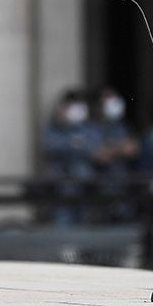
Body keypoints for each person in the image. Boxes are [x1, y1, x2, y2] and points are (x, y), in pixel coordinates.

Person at [43, 90, 101, 226]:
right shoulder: (53, 128)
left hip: (85, 185)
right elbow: (50, 147)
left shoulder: (89, 128)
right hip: (61, 187)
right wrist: (74, 143)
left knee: (86, 224)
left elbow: (96, 150)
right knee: (63, 224)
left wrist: (75, 145)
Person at [90, 87, 138, 221]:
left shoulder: (122, 126)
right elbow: (99, 156)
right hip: (102, 184)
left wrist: (112, 149)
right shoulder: (92, 127)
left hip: (123, 182)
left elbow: (133, 149)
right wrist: (120, 148)